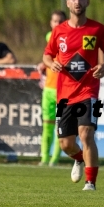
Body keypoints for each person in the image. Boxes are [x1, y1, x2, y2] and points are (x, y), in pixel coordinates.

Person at [43, 0, 104, 191]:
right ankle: (79, 158)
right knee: (66, 144)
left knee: (86, 134)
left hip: (88, 92)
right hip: (64, 95)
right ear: (68, 3)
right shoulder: (58, 31)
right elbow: (47, 55)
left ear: (87, 2)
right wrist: (51, 64)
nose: (78, 1)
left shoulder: (97, 29)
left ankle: (90, 183)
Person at [37, 10, 67, 166]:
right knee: (47, 125)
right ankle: (44, 158)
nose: (57, 24)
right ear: (50, 23)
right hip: (48, 89)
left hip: (63, 89)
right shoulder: (51, 36)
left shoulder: (61, 37)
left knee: (59, 126)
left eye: (60, 21)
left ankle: (55, 159)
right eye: (54, 21)